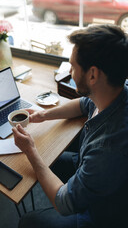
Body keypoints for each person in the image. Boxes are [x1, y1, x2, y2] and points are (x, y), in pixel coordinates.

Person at [12, 25, 128, 228]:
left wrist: (31, 151)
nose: (70, 71)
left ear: (93, 75)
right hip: (91, 169)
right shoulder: (115, 91)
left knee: (28, 221)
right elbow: (84, 104)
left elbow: (64, 203)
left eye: (72, 66)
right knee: (48, 158)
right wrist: (44, 115)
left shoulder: (109, 148)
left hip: (100, 215)